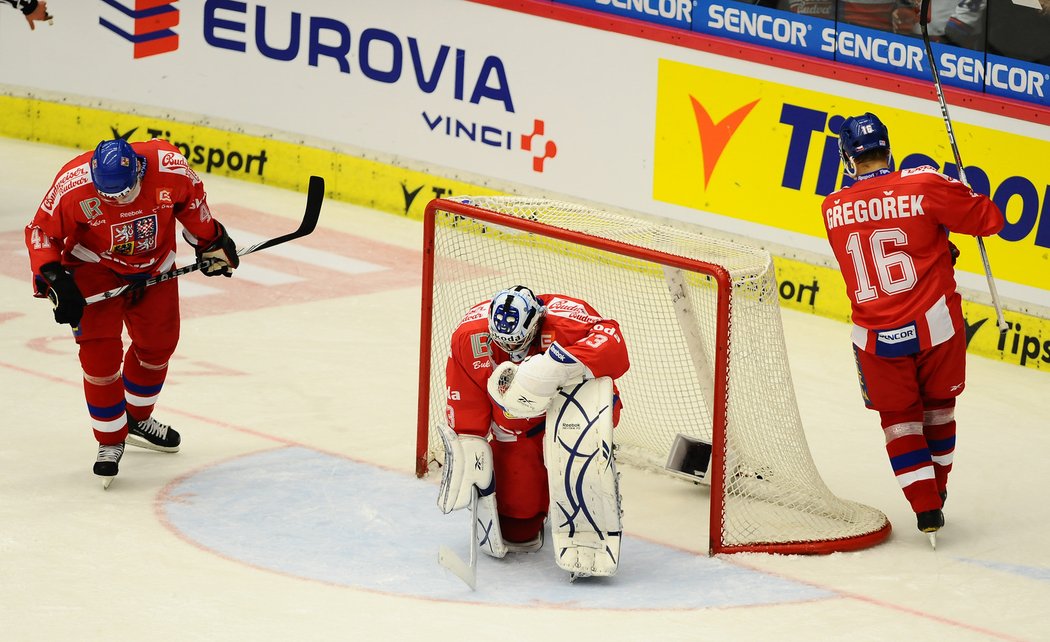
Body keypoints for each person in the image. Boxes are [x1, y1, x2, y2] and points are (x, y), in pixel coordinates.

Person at [821, 113, 1004, 545]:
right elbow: (989, 220)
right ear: (888, 146)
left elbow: (890, 239)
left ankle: (925, 508)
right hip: (935, 327)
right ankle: (937, 492)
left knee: (899, 422)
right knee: (939, 408)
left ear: (848, 158)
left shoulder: (831, 207)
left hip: (874, 337)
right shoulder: (924, 184)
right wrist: (963, 192)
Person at [25, 138, 239, 487]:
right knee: (99, 358)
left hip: (156, 265)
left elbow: (193, 205)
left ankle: (136, 419)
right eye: (108, 195)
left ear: (139, 170)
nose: (116, 200)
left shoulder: (169, 166)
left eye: (124, 193)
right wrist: (54, 279)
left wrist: (211, 242)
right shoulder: (73, 185)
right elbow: (39, 231)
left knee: (158, 346)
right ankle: (110, 440)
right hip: (94, 267)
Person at [439, 285, 629, 569]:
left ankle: (593, 490)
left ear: (537, 320)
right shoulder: (469, 336)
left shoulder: (565, 318)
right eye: (504, 344)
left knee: (581, 457)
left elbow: (613, 342)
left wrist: (559, 364)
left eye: (519, 342)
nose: (512, 350)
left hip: (573, 417)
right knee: (519, 530)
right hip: (516, 432)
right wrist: (469, 445)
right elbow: (466, 400)